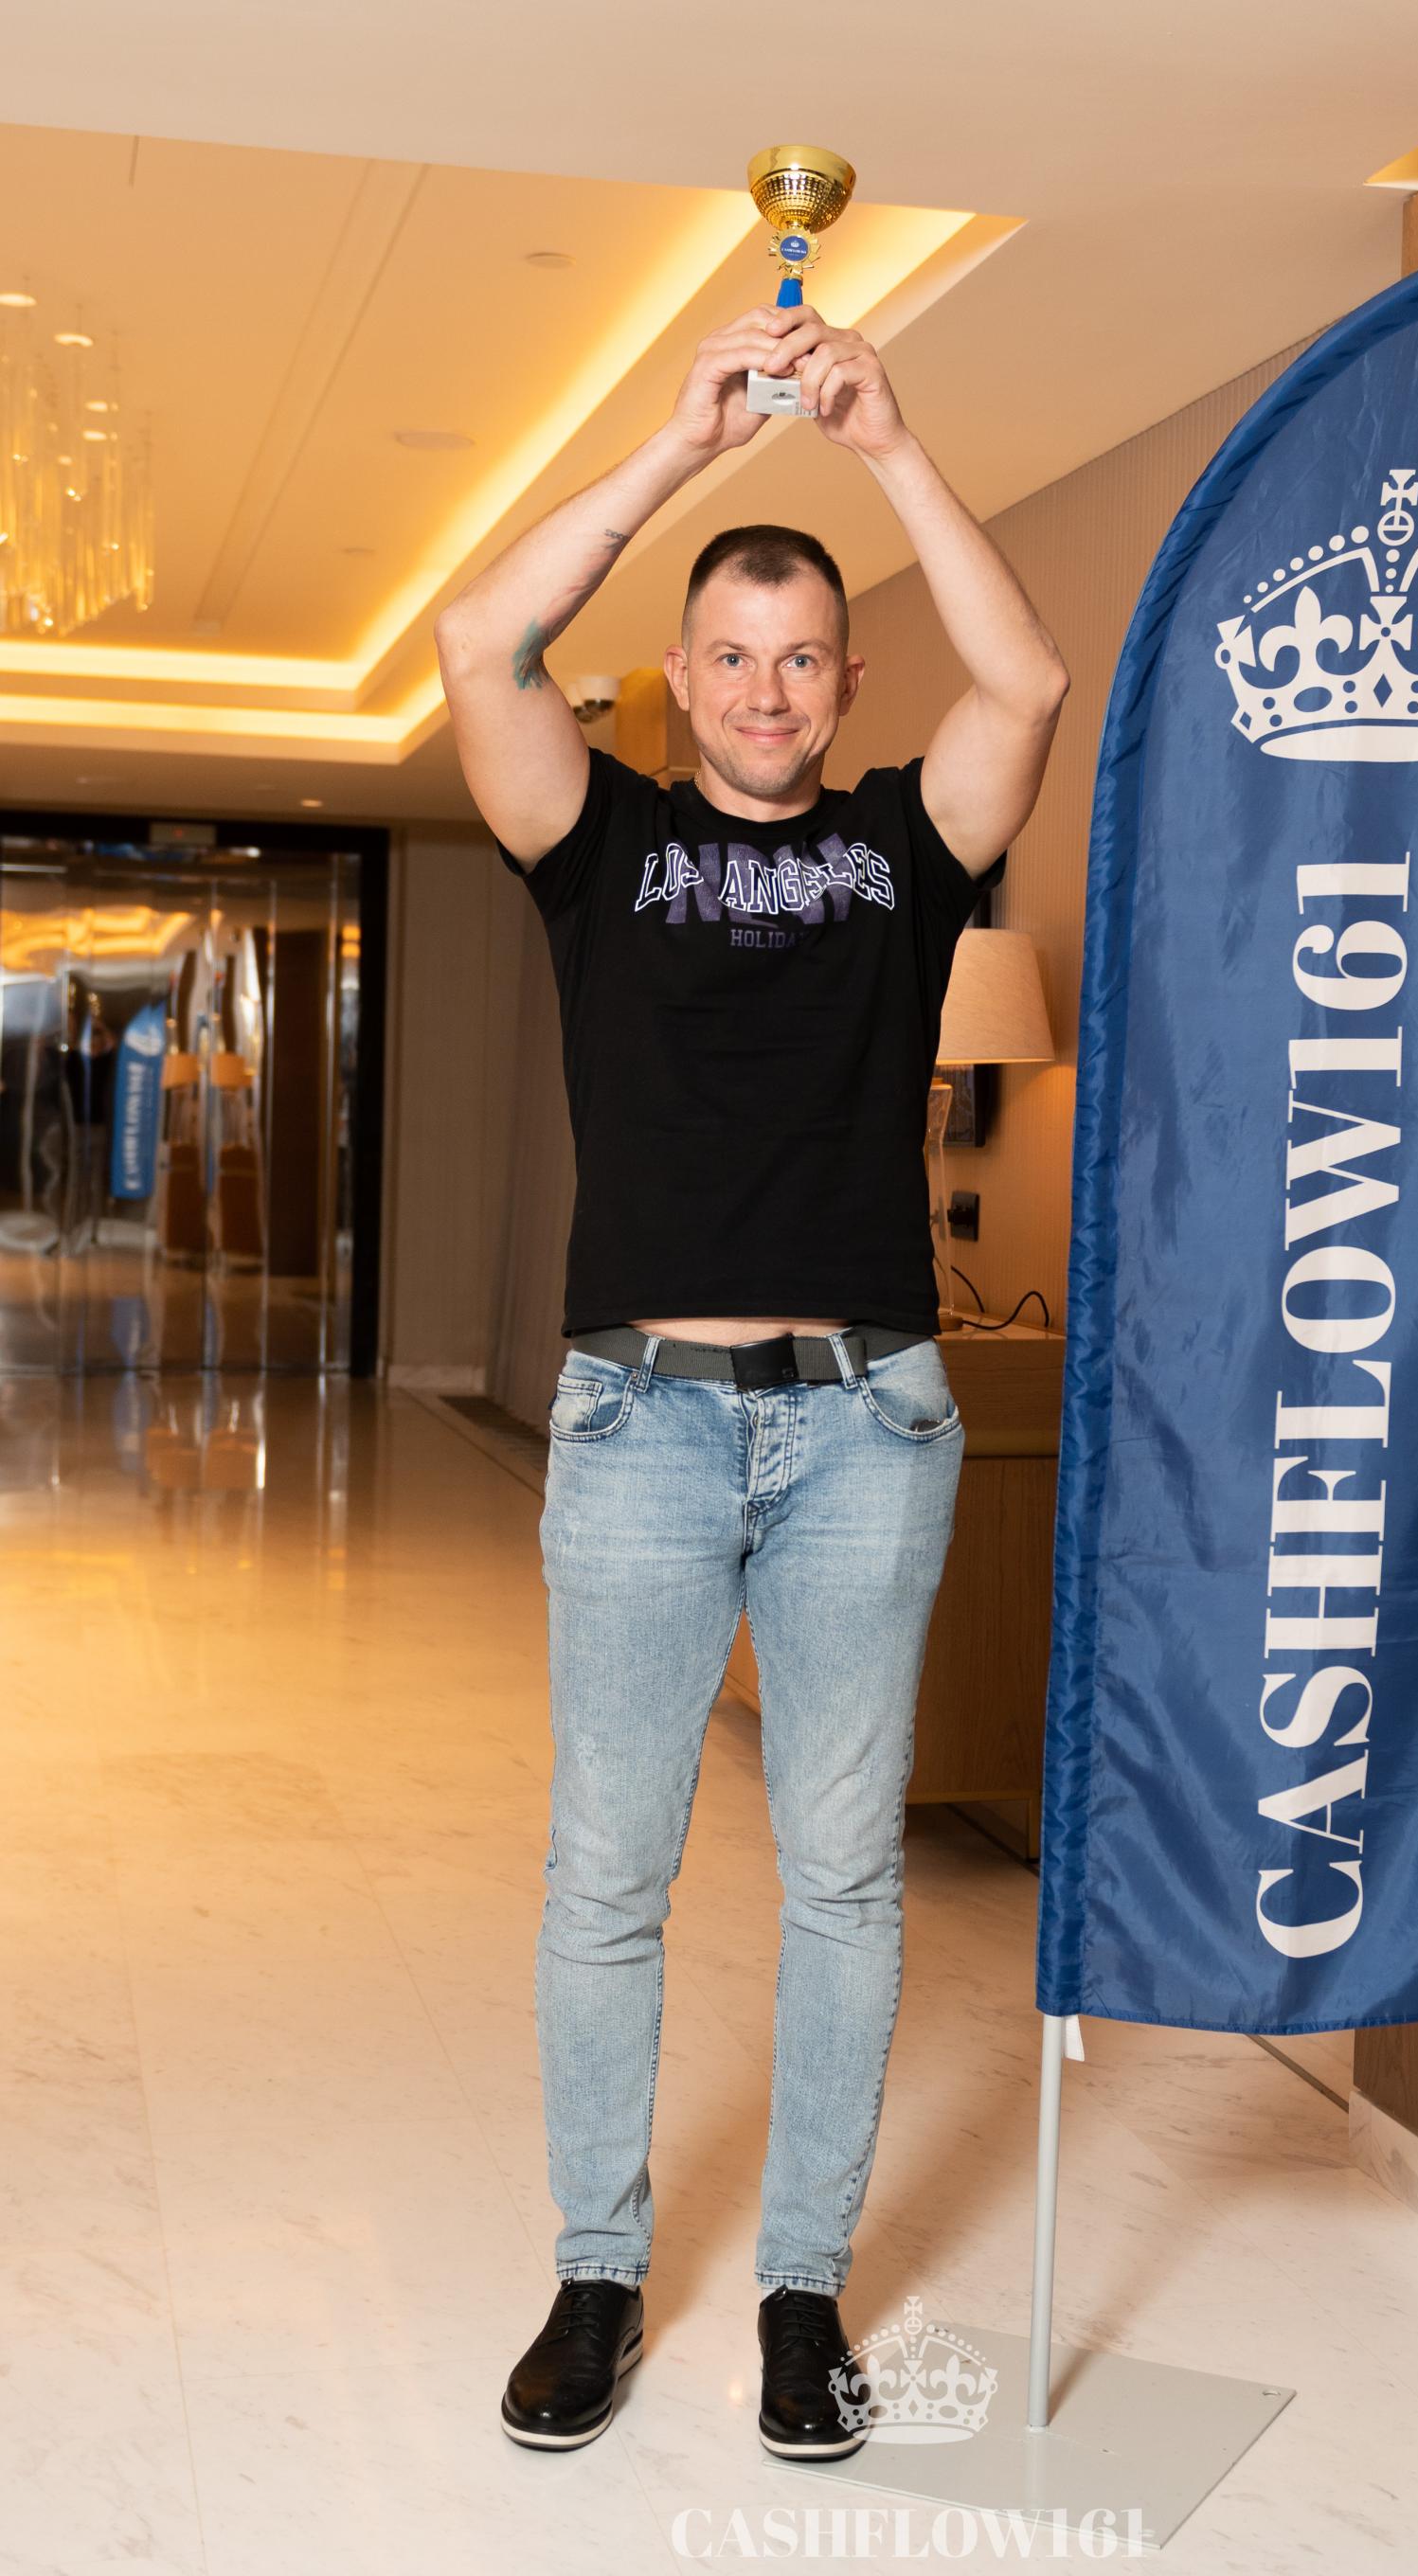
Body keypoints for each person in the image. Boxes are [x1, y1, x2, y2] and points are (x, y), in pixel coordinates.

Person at [435, 300, 1068, 2460]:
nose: (770, 689)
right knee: (607, 1874)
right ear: (685, 672)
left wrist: (885, 445)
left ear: (845, 682)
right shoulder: (596, 842)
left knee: (843, 1881)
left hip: (868, 1428)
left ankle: (804, 2293)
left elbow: (1029, 685)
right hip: (639, 1424)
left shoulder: (905, 850)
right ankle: (597, 2278)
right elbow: (475, 642)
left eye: (806, 658)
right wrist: (679, 450)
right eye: (734, 654)